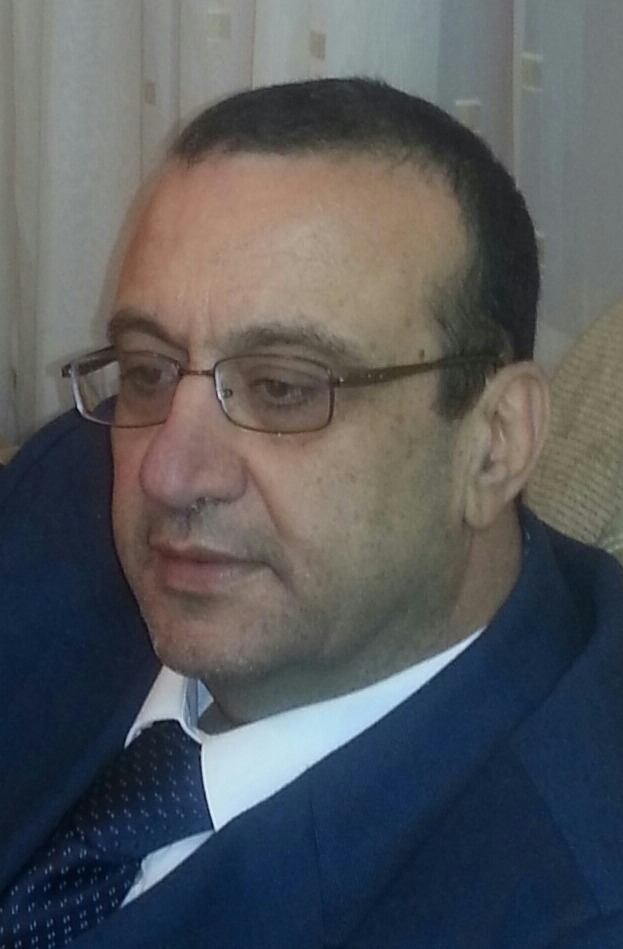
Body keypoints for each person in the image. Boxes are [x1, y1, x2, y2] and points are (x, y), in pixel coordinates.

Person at [1, 78, 623, 949]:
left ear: (493, 443)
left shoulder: (568, 899)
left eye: (284, 388)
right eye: (147, 368)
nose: (168, 473)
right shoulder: (67, 485)